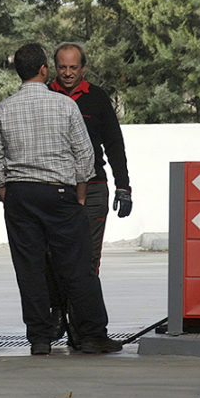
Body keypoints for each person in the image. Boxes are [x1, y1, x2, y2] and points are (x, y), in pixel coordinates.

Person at [0, 42, 124, 356]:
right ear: (44, 69)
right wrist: (80, 195)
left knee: (31, 269)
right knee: (78, 266)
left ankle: (40, 338)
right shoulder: (65, 106)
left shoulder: (4, 109)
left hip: (20, 195)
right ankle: (91, 335)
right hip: (60, 193)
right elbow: (85, 156)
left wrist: (6, 193)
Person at [49, 42, 132, 273]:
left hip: (94, 187)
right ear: (55, 67)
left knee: (89, 258)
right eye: (63, 67)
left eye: (73, 67)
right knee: (55, 257)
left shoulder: (97, 97)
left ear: (83, 68)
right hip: (54, 188)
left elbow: (114, 144)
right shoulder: (46, 96)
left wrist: (123, 187)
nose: (67, 73)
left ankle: (86, 297)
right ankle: (59, 298)